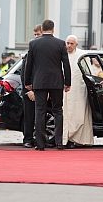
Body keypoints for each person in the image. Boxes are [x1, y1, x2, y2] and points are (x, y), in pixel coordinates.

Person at [24, 19, 71, 151]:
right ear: (53, 29)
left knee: (40, 111)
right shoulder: (60, 43)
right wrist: (67, 82)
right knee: (58, 110)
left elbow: (29, 64)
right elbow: (66, 64)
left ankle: (40, 143)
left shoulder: (33, 43)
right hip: (56, 81)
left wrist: (28, 81)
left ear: (42, 29)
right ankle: (59, 142)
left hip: (39, 81)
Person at [63, 35, 93, 148]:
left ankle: (77, 139)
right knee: (66, 114)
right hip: (65, 90)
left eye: (71, 44)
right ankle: (66, 138)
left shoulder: (82, 55)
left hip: (79, 90)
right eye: (67, 43)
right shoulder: (62, 54)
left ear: (76, 45)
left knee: (78, 114)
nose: (69, 46)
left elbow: (88, 73)